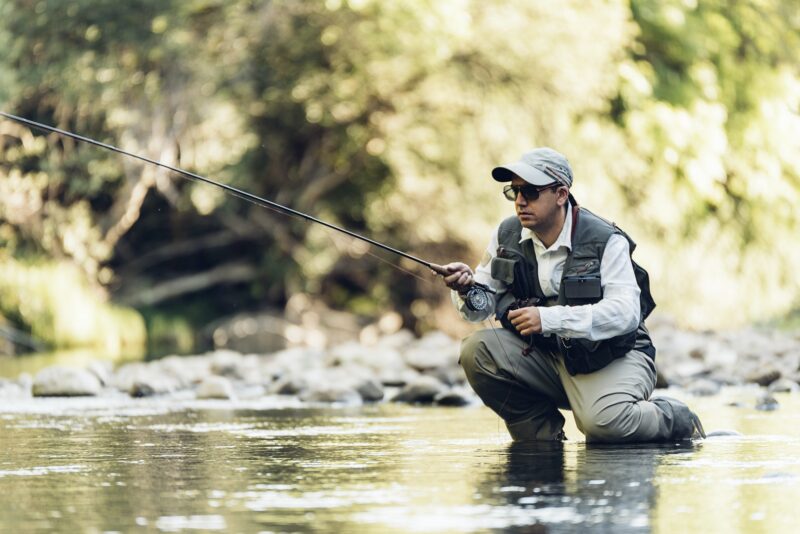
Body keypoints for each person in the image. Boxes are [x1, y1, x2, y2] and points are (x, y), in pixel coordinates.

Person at [439, 147, 704, 443]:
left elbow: (626, 313)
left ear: (561, 194)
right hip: (547, 356)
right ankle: (541, 437)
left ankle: (674, 418)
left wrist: (548, 318)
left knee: (604, 426)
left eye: (531, 192)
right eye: (514, 192)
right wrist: (466, 289)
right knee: (477, 351)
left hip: (613, 355)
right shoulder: (506, 235)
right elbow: (480, 307)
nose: (521, 202)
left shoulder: (606, 240)